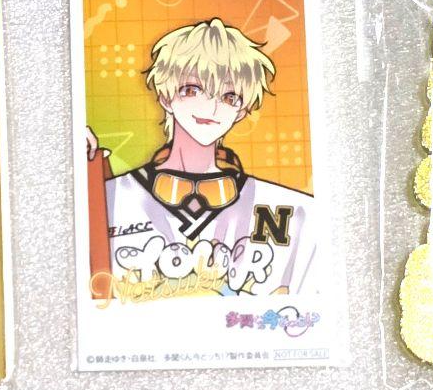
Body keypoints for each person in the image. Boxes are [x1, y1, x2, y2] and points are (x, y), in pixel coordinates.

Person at [86, 18, 315, 296]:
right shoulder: (108, 198)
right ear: (165, 96)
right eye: (192, 90)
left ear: (242, 111)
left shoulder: (293, 211)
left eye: (229, 97)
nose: (211, 107)